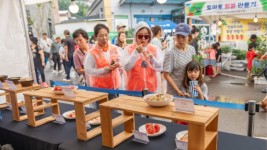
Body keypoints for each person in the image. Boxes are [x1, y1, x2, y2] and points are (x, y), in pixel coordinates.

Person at [123, 21, 163, 93]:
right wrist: (135, 53)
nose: (143, 39)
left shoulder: (154, 49)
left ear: (149, 37)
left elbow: (160, 67)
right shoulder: (129, 49)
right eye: (140, 36)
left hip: (151, 88)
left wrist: (152, 58)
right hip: (134, 89)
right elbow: (126, 67)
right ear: (136, 36)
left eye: (146, 36)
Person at [84, 23, 122, 91]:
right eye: (101, 36)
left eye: (106, 35)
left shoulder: (114, 48)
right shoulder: (92, 52)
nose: (104, 38)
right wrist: (104, 70)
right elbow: (88, 70)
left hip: (115, 86)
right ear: (95, 37)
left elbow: (122, 61)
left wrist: (118, 64)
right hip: (100, 88)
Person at [163, 23, 196, 96]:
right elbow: (166, 75)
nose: (180, 40)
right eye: (178, 36)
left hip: (189, 89)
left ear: (189, 37)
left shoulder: (192, 49)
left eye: (183, 37)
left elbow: (195, 68)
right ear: (175, 37)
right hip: (174, 91)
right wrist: (177, 91)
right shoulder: (170, 53)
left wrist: (195, 88)